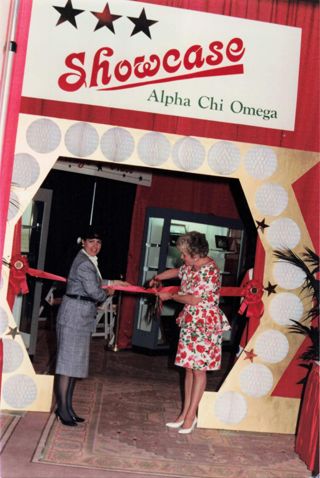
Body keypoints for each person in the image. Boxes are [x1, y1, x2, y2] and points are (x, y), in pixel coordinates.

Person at [150, 231, 230, 434]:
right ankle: (185, 412)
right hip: (191, 321)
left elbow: (194, 299)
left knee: (198, 370)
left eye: (184, 254)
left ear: (195, 254)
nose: (182, 258)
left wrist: (170, 295)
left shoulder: (209, 270)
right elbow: (178, 271)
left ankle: (191, 415)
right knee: (188, 367)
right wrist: (158, 277)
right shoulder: (192, 265)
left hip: (204, 323)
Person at [54, 226, 130, 426]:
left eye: (98, 243)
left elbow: (94, 281)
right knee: (66, 365)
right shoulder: (84, 263)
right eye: (91, 242)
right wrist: (109, 293)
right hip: (74, 316)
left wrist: (113, 282)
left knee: (72, 365)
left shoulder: (86, 260)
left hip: (79, 315)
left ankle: (67, 407)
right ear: (83, 242)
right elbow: (95, 292)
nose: (95, 246)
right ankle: (62, 409)